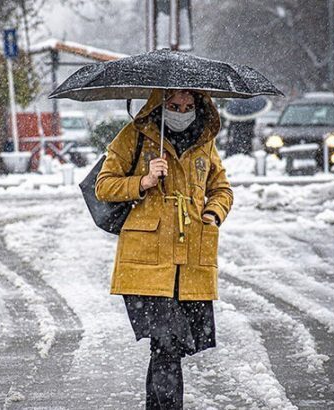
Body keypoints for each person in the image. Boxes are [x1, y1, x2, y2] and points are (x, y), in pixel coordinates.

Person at [95, 88, 233, 409]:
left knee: (167, 347)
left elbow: (222, 189)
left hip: (190, 265)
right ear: (160, 104)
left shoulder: (204, 142)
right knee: (167, 344)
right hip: (146, 262)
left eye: (187, 106)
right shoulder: (135, 136)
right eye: (173, 105)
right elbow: (103, 185)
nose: (181, 112)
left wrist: (213, 213)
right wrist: (142, 181)